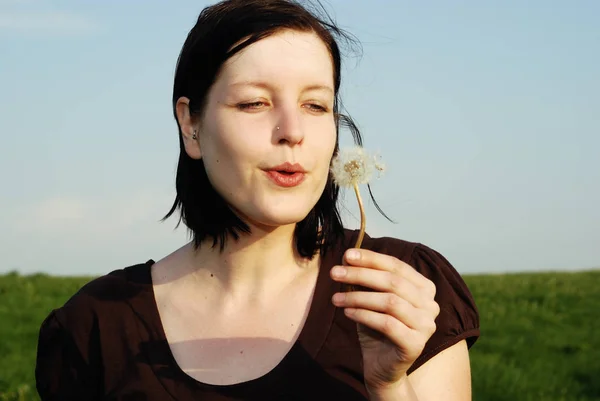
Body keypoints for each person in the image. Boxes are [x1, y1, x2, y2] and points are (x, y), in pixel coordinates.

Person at [35, 0, 480, 400]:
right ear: (190, 124)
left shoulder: (408, 293)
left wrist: (389, 387)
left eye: (315, 105)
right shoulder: (94, 328)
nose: (293, 131)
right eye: (254, 103)